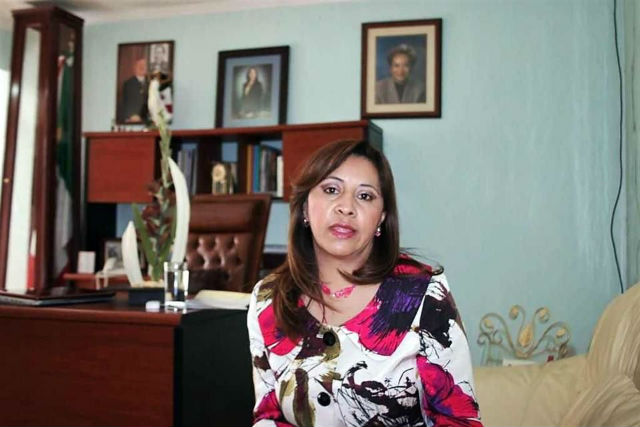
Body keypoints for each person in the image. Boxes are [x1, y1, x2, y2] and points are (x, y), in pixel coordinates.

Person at [247, 140, 481, 426]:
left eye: (365, 196)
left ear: (381, 217)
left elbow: (459, 419)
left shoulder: (424, 293)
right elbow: (267, 415)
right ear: (305, 208)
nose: (346, 207)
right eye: (331, 190)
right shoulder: (268, 298)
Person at [120, 57, 148, 123]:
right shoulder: (128, 84)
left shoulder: (151, 83)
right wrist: (130, 116)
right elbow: (125, 103)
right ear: (134, 67)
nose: (142, 67)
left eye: (144, 65)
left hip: (148, 120)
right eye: (139, 65)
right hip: (133, 120)